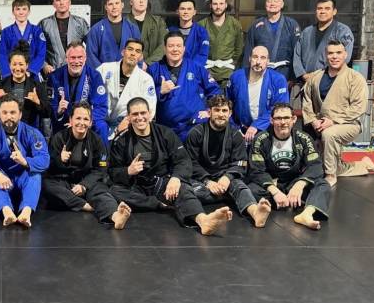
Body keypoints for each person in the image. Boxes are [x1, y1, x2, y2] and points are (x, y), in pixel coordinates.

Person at [108, 97, 233, 235]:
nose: (140, 117)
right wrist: (128, 171)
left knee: (183, 188)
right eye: (135, 114)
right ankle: (158, 204)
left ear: (150, 113)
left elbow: (183, 160)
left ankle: (203, 221)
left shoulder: (165, 133)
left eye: (143, 113)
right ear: (128, 117)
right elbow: (112, 171)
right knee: (114, 191)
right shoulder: (121, 140)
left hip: (161, 183)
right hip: (136, 186)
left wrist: (176, 178)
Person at [301, 40, 374, 187]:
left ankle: (331, 175)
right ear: (326, 55)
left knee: (329, 134)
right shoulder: (316, 77)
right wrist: (313, 120)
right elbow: (307, 101)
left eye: (338, 52)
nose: (334, 56)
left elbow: (358, 107)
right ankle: (362, 165)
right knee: (317, 164)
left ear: (345, 54)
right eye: (330, 53)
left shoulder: (355, 78)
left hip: (349, 124)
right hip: (320, 123)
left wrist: (333, 120)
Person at [185, 95, 272, 227]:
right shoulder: (196, 133)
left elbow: (241, 162)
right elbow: (191, 162)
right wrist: (208, 181)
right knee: (186, 191)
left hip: (225, 180)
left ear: (230, 113)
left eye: (224, 110)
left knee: (239, 186)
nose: (221, 114)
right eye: (217, 110)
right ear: (209, 112)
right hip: (201, 180)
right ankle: (223, 201)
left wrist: (227, 177)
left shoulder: (235, 135)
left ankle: (255, 212)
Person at [44, 102, 132, 229]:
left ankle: (116, 216)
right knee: (47, 185)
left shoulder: (97, 141)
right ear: (71, 120)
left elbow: (101, 169)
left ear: (90, 123)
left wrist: (84, 185)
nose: (82, 122)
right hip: (65, 182)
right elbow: (50, 167)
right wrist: (60, 160)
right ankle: (86, 206)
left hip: (88, 183)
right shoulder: (59, 138)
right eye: (78, 118)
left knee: (102, 192)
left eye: (86, 119)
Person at [247, 103, 331, 230]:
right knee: (250, 189)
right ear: (271, 120)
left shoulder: (304, 138)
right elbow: (256, 170)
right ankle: (280, 203)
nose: (283, 122)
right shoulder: (260, 139)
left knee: (323, 184)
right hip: (272, 183)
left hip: (294, 182)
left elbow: (315, 165)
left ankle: (307, 214)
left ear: (294, 119)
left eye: (286, 118)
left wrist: (299, 185)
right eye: (278, 118)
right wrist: (275, 192)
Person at [0, 95, 50, 227]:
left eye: (13, 112)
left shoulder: (32, 133)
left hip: (23, 176)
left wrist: (25, 161)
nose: (8, 116)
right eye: (4, 112)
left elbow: (44, 159)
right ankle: (6, 211)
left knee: (35, 175)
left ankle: (26, 212)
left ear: (20, 114)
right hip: (3, 177)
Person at [148, 32, 221, 141]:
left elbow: (215, 91)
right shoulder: (153, 69)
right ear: (164, 48)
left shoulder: (197, 68)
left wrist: (209, 110)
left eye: (178, 46)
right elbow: (144, 98)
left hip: (194, 127)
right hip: (164, 130)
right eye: (171, 46)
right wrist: (160, 91)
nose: (175, 49)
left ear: (184, 48)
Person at [226, 46, 289, 144]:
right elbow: (228, 104)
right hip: (240, 131)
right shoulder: (236, 77)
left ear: (268, 61)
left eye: (263, 58)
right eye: (255, 57)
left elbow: (280, 108)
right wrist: (234, 128)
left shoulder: (278, 80)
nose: (258, 62)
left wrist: (256, 125)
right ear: (249, 59)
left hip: (268, 131)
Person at [48, 42, 109, 142]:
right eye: (72, 57)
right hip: (64, 121)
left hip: (86, 122)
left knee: (101, 126)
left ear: (85, 58)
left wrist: (83, 121)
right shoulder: (55, 77)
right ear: (66, 59)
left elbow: (101, 107)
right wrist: (58, 111)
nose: (76, 61)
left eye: (80, 57)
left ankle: (102, 153)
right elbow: (51, 106)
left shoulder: (94, 76)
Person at [97, 39, 156, 139]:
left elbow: (150, 109)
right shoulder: (105, 69)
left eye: (137, 51)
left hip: (127, 125)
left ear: (141, 57)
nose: (133, 53)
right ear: (123, 52)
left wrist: (130, 122)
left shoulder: (146, 79)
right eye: (130, 49)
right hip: (100, 120)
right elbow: (90, 92)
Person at [0, 47, 50, 129]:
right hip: (4, 130)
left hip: (28, 132)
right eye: (14, 64)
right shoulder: (0, 85)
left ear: (27, 65)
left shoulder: (37, 86)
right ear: (9, 65)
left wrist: (38, 102)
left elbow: (48, 113)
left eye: (21, 64)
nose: (17, 68)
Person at [242, 0, 301, 80]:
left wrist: (293, 78)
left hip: (285, 73)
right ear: (265, 4)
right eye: (269, 1)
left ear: (282, 4)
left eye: (276, 1)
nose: (272, 4)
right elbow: (248, 51)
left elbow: (297, 52)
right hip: (260, 71)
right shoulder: (256, 25)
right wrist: (246, 75)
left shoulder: (291, 24)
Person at [293, 0, 355, 82]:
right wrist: (303, 74)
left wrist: (319, 75)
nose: (322, 11)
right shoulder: (307, 32)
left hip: (330, 80)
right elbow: (297, 55)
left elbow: (344, 57)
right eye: (319, 8)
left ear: (334, 11)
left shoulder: (342, 31)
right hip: (306, 80)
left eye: (327, 8)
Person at [39, 0, 90, 76]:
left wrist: (84, 62)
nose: (61, 2)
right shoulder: (44, 23)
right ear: (53, 4)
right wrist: (44, 65)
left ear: (69, 2)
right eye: (58, 0)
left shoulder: (80, 23)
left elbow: (92, 47)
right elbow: (37, 48)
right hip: (53, 71)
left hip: (77, 71)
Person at [85, 0, 141, 70]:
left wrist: (135, 72)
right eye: (110, 4)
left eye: (117, 3)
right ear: (106, 7)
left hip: (128, 72)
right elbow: (91, 55)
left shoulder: (133, 28)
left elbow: (138, 53)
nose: (114, 7)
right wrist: (102, 72)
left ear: (122, 5)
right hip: (103, 73)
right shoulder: (96, 29)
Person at [198, 0, 243, 88]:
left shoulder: (235, 24)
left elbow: (239, 49)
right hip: (207, 70)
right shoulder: (201, 25)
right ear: (210, 5)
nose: (218, 7)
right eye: (215, 4)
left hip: (228, 71)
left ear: (226, 5)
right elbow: (197, 50)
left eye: (221, 3)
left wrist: (231, 62)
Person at [0, 0, 46, 79]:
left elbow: (41, 53)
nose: (21, 12)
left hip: (32, 74)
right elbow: (2, 54)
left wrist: (31, 70)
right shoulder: (6, 32)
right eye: (18, 9)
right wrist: (7, 73)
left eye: (24, 9)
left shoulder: (37, 31)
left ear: (29, 11)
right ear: (13, 12)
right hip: (12, 73)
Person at [126, 0, 166, 65]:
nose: (141, 1)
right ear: (131, 2)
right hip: (129, 65)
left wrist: (147, 63)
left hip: (153, 66)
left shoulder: (158, 22)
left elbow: (164, 44)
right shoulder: (124, 22)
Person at [169, 0, 209, 67]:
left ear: (194, 12)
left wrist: (189, 68)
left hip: (194, 69)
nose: (186, 12)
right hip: (173, 68)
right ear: (177, 11)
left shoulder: (202, 32)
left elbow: (202, 55)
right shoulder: (169, 31)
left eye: (189, 9)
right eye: (182, 9)